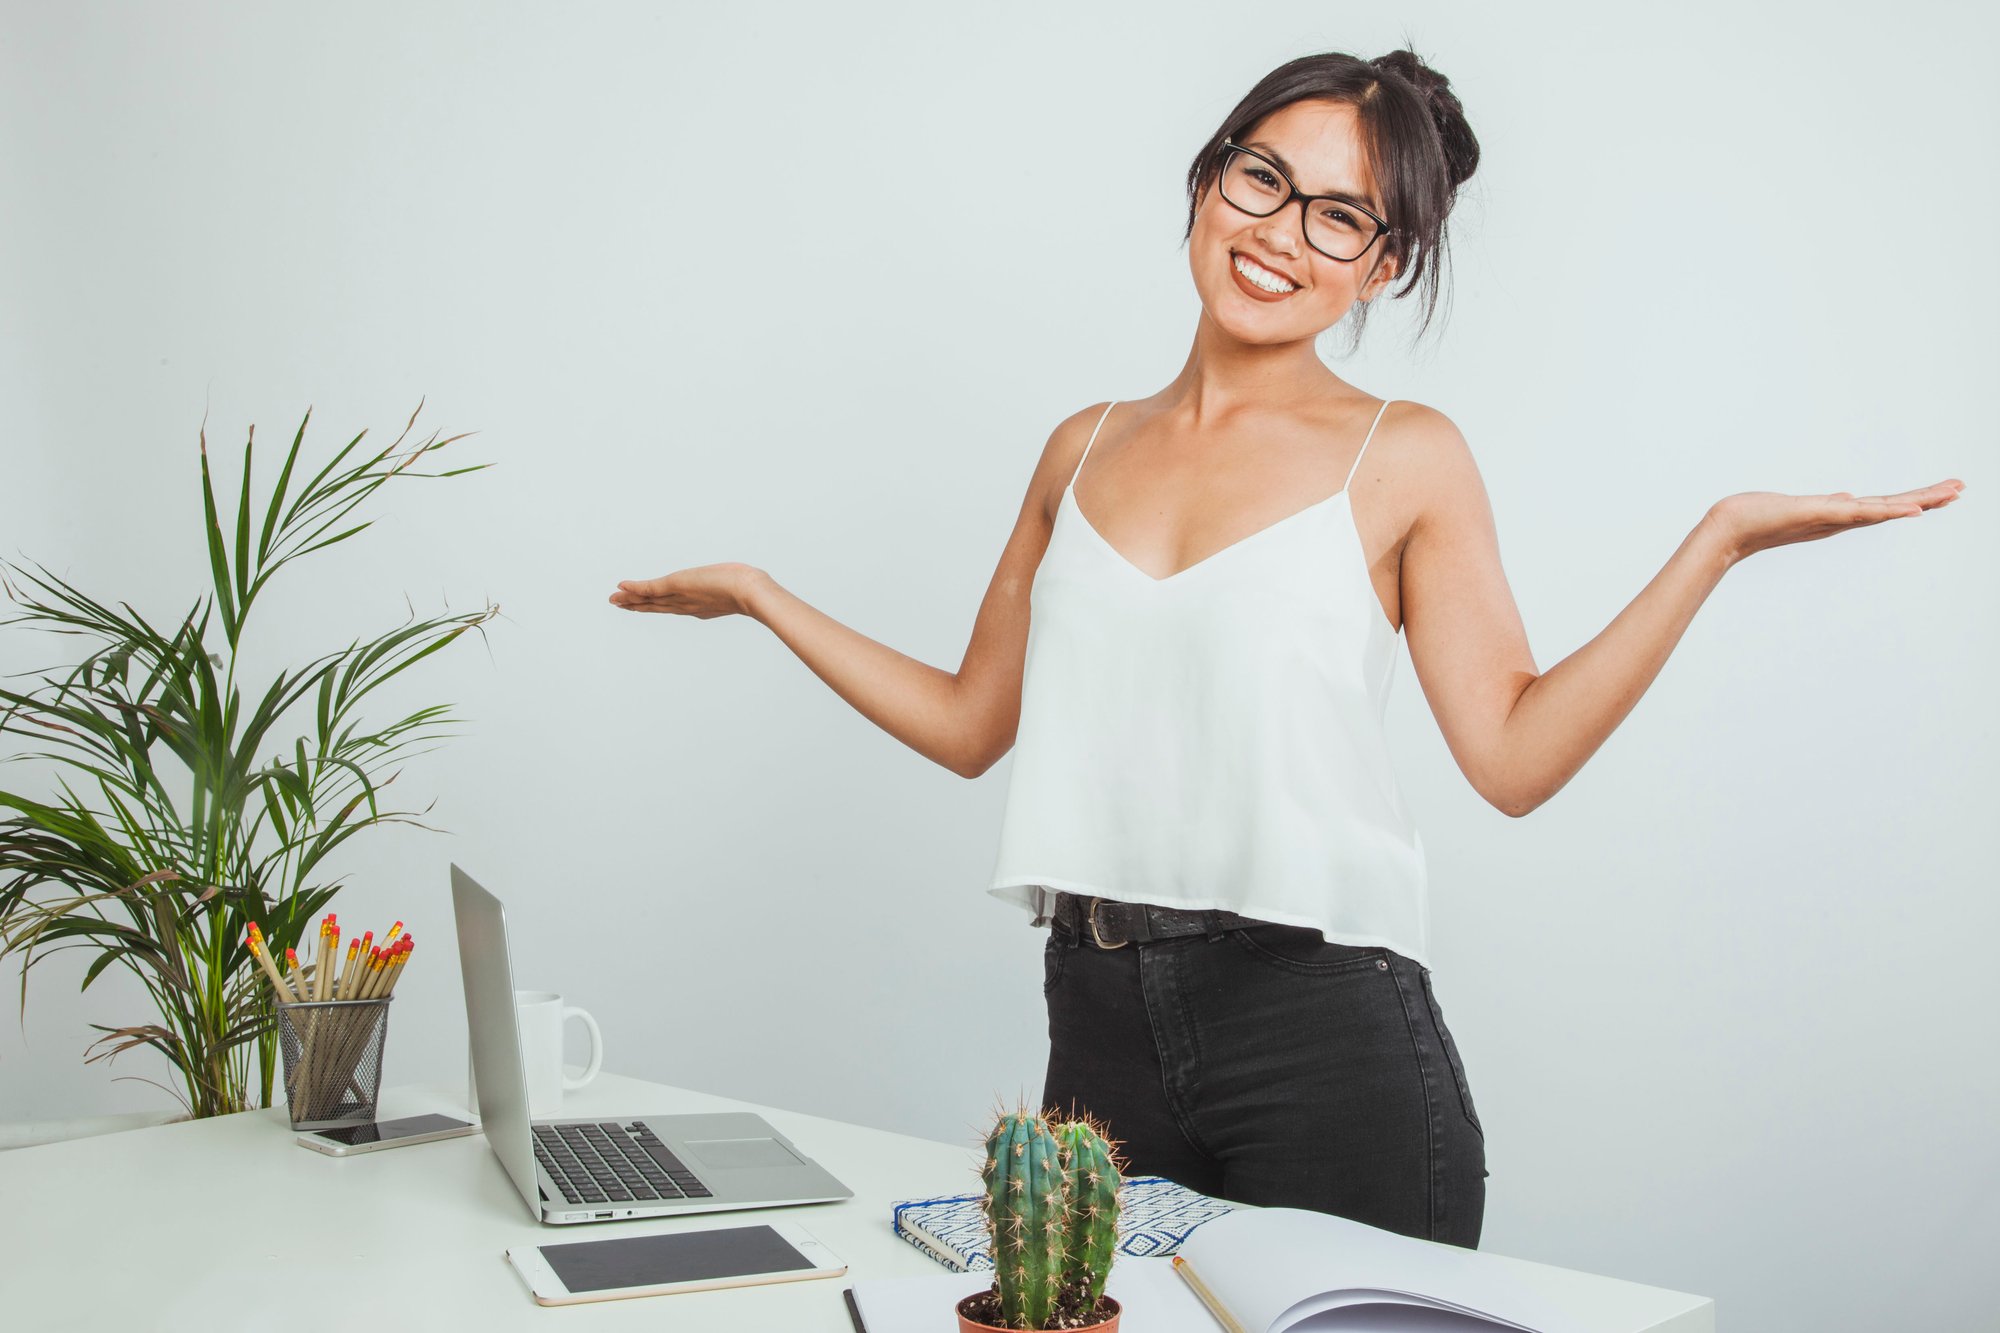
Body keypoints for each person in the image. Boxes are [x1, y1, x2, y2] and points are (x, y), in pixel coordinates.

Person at [607, 48, 1964, 1250]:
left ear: (1383, 262)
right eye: (1264, 178)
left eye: (1341, 216)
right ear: (1209, 179)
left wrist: (1716, 541)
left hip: (1323, 1029)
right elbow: (973, 722)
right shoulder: (1081, 447)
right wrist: (766, 599)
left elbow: (1511, 753)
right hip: (1093, 1018)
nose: (1282, 234)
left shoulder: (1406, 456)